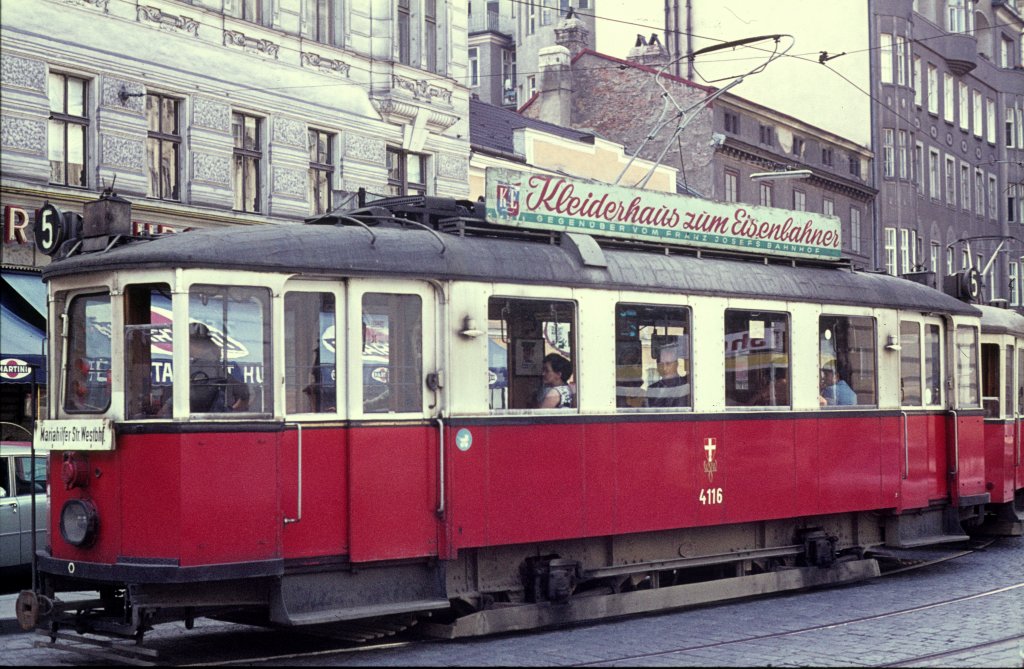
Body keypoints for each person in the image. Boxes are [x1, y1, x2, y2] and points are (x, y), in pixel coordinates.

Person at [189, 323, 250, 412]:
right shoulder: (215, 366)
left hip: (204, 420)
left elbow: (245, 394)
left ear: (198, 344)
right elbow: (245, 393)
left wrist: (230, 413)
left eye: (189, 342)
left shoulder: (205, 365)